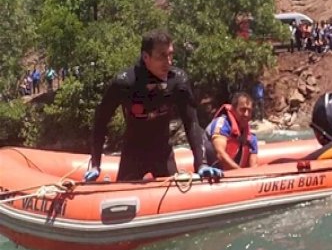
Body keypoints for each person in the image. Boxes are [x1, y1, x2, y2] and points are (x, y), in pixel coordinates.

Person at [85, 30, 223, 182]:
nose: (168, 62)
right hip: (133, 154)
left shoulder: (177, 80)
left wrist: (201, 163)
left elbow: (191, 123)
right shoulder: (124, 83)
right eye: (162, 56)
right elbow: (100, 121)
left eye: (170, 55)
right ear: (146, 57)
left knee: (176, 192)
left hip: (162, 152)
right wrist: (95, 164)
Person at [204, 92, 258, 170]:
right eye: (243, 110)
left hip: (237, 172)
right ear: (233, 110)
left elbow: (254, 165)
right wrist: (240, 172)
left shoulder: (251, 137)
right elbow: (220, 154)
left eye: (249, 111)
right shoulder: (222, 124)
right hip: (212, 169)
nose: (246, 114)